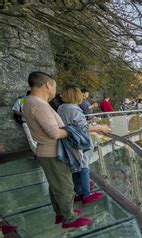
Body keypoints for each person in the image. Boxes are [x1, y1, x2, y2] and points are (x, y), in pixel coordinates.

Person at [22, 71, 92, 229]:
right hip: (53, 152)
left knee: (56, 185)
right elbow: (54, 132)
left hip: (46, 151)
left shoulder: (30, 101)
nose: (55, 90)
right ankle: (69, 218)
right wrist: (73, 130)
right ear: (47, 85)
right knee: (65, 186)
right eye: (54, 86)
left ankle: (62, 213)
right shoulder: (39, 105)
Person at [57, 84, 110, 204]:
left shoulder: (61, 107)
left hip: (68, 140)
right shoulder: (73, 108)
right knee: (84, 165)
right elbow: (83, 127)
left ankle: (79, 192)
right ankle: (87, 194)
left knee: (75, 167)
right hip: (80, 142)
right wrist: (101, 127)